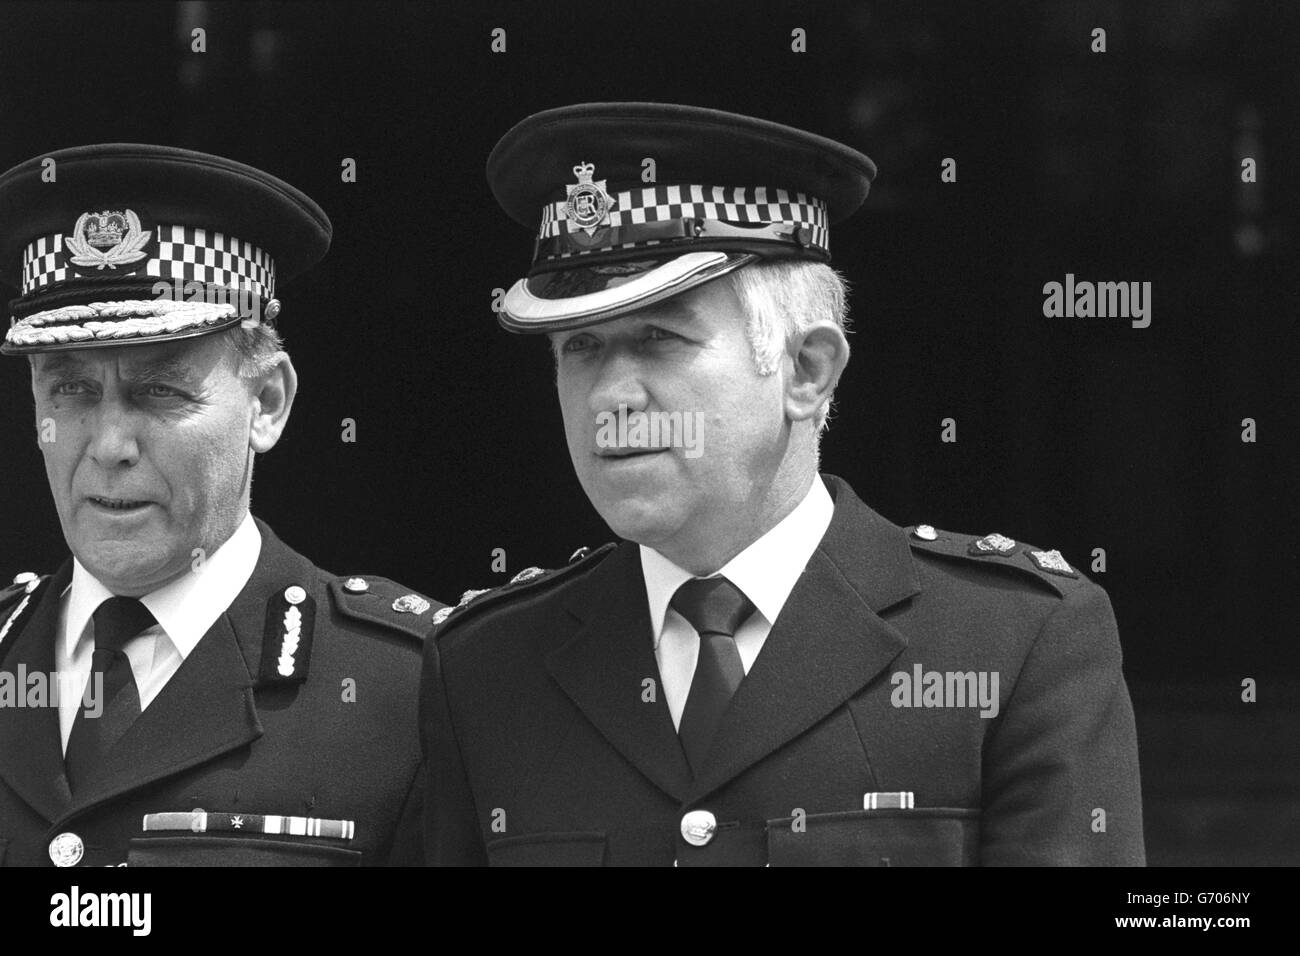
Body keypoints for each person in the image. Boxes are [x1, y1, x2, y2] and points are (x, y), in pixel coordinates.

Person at [421, 102, 1145, 866]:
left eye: (659, 340)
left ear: (806, 371)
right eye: (580, 348)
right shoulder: (485, 669)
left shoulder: (1013, 643)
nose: (610, 396)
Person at [0, 144, 440, 867]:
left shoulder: (405, 691)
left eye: (160, 391)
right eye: (71, 390)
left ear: (267, 403)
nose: (109, 444)